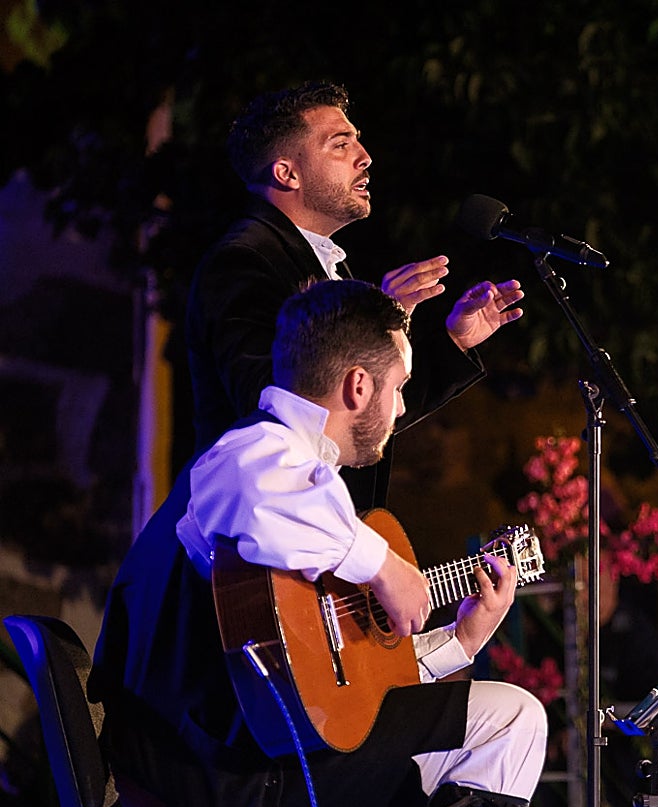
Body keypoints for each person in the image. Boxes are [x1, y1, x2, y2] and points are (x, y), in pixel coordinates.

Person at [91, 279, 547, 807]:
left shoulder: (305, 487)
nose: (403, 408)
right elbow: (262, 491)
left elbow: (336, 688)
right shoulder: (251, 454)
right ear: (358, 385)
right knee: (513, 719)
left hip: (247, 764)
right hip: (219, 781)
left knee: (456, 761)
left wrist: (461, 640)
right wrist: (384, 567)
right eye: (400, 387)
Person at [187, 79, 523, 508]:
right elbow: (271, 405)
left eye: (357, 142)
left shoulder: (323, 262)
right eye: (340, 145)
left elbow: (365, 412)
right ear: (287, 173)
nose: (365, 158)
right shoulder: (243, 260)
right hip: (262, 531)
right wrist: (374, 325)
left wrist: (452, 342)